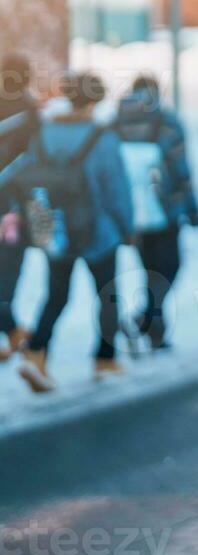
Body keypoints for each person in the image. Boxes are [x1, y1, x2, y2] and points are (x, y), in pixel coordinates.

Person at [17, 71, 134, 392]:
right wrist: (127, 227)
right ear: (95, 100)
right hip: (98, 231)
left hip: (55, 228)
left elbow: (28, 174)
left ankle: (36, 354)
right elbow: (116, 189)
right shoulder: (101, 137)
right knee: (107, 294)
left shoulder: (43, 133)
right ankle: (105, 358)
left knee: (55, 295)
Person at [114, 74, 198, 352]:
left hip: (133, 214)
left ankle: (155, 331)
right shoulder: (167, 123)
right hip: (165, 210)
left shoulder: (114, 124)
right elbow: (181, 169)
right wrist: (193, 209)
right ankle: (143, 320)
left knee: (150, 270)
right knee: (169, 267)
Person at [0, 53, 39, 360]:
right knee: (9, 269)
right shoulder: (31, 112)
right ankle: (12, 330)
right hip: (13, 208)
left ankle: (11, 330)